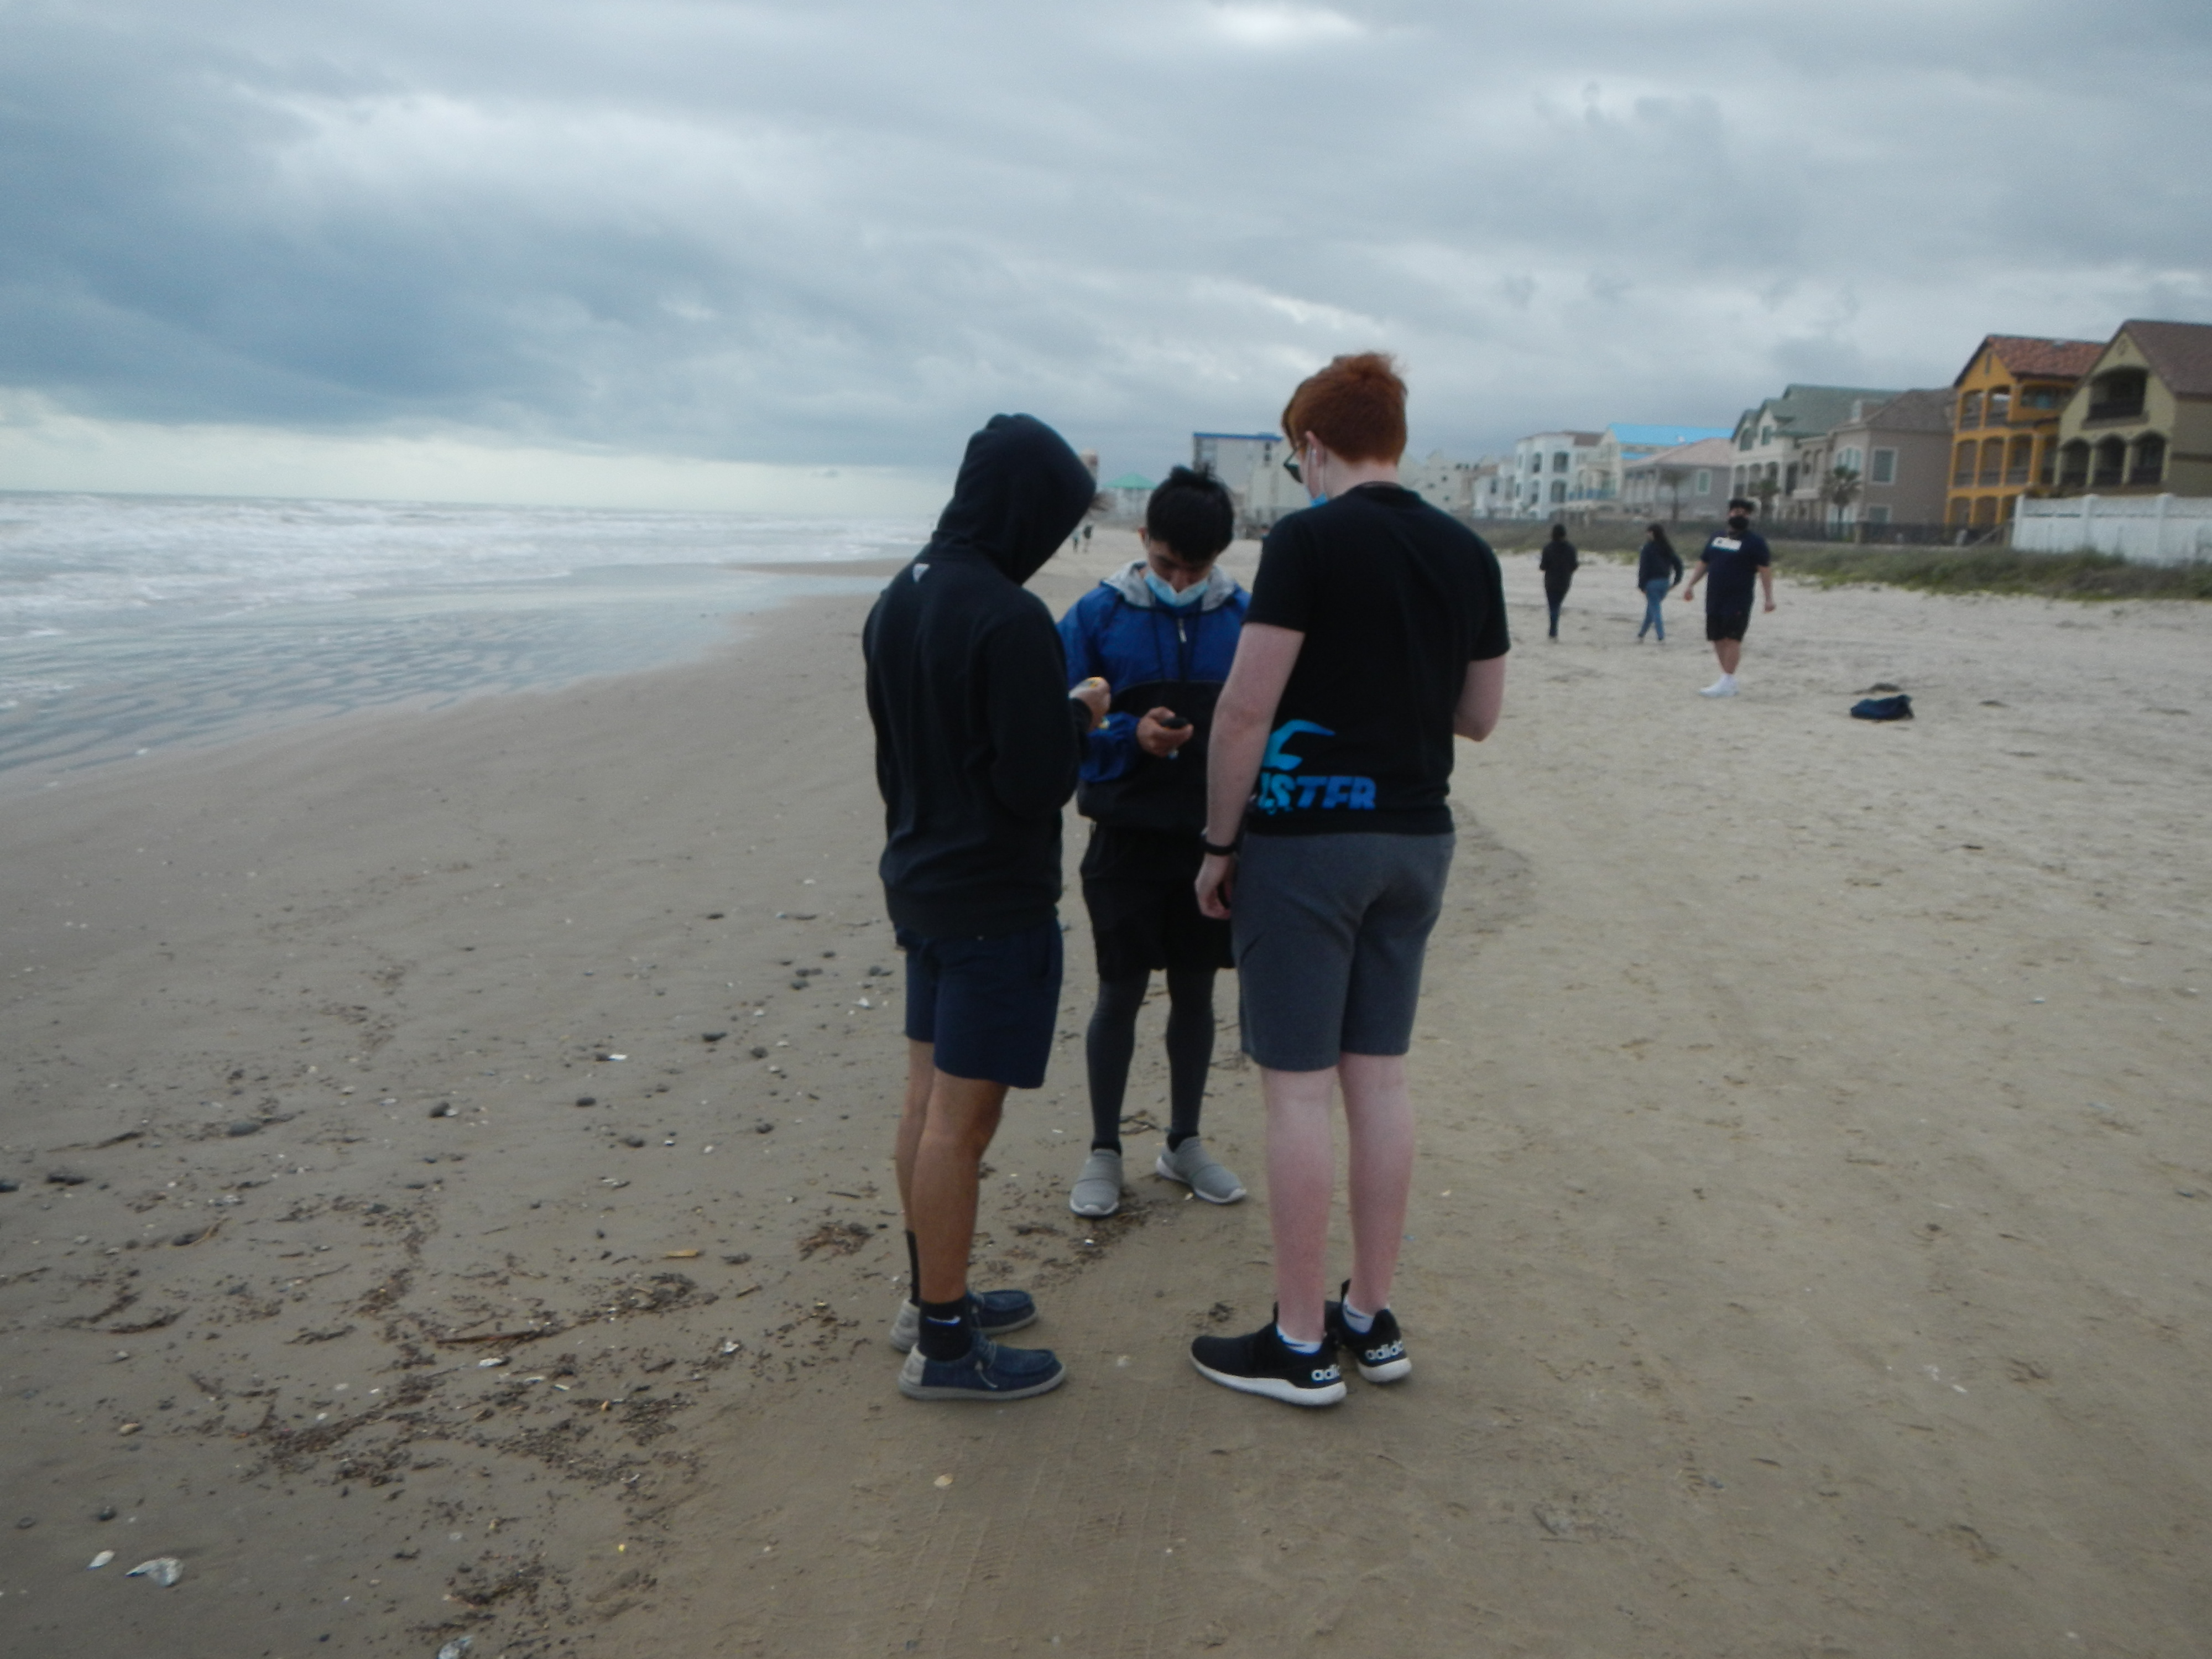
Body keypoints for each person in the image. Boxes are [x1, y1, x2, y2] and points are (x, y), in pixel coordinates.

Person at [1189, 353, 1510, 1406]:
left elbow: (1245, 708)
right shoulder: (1466, 551)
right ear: (1398, 439)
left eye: (1297, 456)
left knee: (1295, 1090)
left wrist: (1219, 842)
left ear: (1315, 446)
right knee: (1378, 1080)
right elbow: (1480, 714)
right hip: (1418, 840)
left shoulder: (1308, 539)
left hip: (1311, 844)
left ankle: (1297, 1343)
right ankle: (1369, 1319)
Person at [862, 413, 1104, 1402]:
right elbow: (1032, 781)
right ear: (1024, 508)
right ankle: (948, 1347)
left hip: (918, 880)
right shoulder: (1006, 617)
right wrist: (1080, 715)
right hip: (990, 901)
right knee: (959, 1124)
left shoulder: (899, 597)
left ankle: (931, 1299)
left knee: (926, 1105)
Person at [1058, 467, 1249, 1218]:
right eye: (1168, 563)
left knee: (1198, 993)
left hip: (1210, 843)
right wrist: (1127, 737)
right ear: (1144, 542)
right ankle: (1104, 1147)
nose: (1180, 580)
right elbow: (1054, 721)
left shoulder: (1244, 619)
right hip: (1124, 840)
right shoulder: (1098, 617)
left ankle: (1184, 1141)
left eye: (1196, 569)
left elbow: (1266, 723)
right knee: (1120, 992)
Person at [1680, 496, 1775, 696]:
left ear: (1748, 517)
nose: (1739, 515)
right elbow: (1704, 563)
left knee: (1733, 637)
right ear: (1728, 514)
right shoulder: (1717, 538)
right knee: (1717, 637)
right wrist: (1690, 585)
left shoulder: (1755, 542)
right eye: (1735, 511)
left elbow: (1765, 571)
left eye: (1744, 513)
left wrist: (1769, 598)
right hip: (1715, 595)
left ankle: (1728, 679)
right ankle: (1726, 679)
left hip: (1738, 597)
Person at [1635, 523, 1684, 641]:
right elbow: (1679, 564)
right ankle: (1641, 634)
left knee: (1655, 609)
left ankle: (1661, 636)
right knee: (1651, 609)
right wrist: (1677, 580)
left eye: (1648, 532)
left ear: (1652, 533)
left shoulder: (1647, 548)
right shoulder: (1667, 548)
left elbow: (1644, 568)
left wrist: (1641, 585)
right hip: (1665, 583)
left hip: (1652, 583)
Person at [1538, 524, 1577, 640]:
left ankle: (1553, 630)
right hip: (1565, 581)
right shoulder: (1571, 549)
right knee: (1557, 605)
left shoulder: (1548, 548)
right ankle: (1553, 630)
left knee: (1553, 606)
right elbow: (1574, 566)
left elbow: (1543, 567)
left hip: (1551, 581)